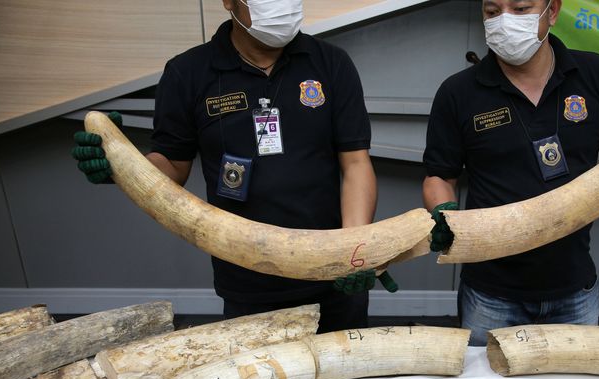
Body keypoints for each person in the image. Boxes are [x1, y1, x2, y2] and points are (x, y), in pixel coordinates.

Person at [72, 0, 396, 332]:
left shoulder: (330, 63)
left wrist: (354, 249)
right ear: (228, 2)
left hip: (333, 274)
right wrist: (120, 164)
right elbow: (171, 164)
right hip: (247, 278)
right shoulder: (189, 73)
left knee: (349, 378)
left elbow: (356, 163)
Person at [422, 0, 599, 345]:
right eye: (493, 12)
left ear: (552, 11)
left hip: (575, 289)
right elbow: (438, 176)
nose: (505, 21)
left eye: (521, 8)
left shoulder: (594, 74)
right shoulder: (457, 92)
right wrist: (443, 214)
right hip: (490, 294)